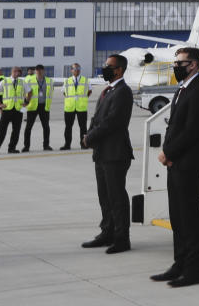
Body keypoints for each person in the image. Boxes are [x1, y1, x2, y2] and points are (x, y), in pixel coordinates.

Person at [150, 46, 199, 288]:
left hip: (189, 164)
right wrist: (168, 153)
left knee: (191, 218)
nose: (176, 66)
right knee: (177, 217)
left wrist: (169, 152)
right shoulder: (182, 90)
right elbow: (174, 126)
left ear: (194, 65)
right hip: (176, 163)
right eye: (176, 62)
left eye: (180, 63)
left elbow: (192, 130)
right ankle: (180, 263)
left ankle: (195, 269)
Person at [81, 54, 134, 254]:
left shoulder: (122, 92)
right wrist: (88, 135)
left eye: (108, 66)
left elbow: (112, 122)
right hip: (102, 152)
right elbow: (97, 118)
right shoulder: (108, 91)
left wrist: (90, 137)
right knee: (104, 196)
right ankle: (107, 232)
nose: (105, 68)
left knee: (116, 197)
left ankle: (122, 238)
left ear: (118, 70)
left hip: (115, 153)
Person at [0, 67, 27, 155]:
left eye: (19, 72)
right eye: (16, 72)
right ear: (12, 72)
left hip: (18, 110)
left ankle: (12, 148)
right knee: (1, 130)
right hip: (7, 109)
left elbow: (30, 91)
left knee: (16, 130)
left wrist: (26, 102)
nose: (18, 73)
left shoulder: (22, 82)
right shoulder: (5, 81)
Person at [22, 65, 53, 152]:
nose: (39, 72)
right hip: (32, 107)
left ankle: (46, 145)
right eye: (37, 70)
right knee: (28, 127)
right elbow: (24, 92)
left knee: (46, 127)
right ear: (35, 71)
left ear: (43, 71)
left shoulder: (49, 81)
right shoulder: (29, 80)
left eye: (40, 70)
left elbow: (51, 92)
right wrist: (25, 102)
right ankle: (26, 146)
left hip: (44, 106)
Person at [61, 63, 91, 150]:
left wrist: (83, 99)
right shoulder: (67, 81)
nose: (77, 70)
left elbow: (89, 91)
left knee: (83, 127)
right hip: (69, 107)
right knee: (68, 127)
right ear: (71, 70)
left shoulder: (85, 80)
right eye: (75, 69)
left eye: (78, 68)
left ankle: (83, 144)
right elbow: (64, 92)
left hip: (81, 107)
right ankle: (67, 145)